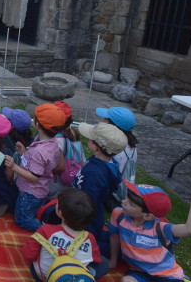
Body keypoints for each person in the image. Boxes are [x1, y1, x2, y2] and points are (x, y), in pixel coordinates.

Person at [109, 182, 191, 282]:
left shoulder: (160, 228)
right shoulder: (119, 214)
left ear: (147, 216)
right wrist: (113, 261)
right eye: (127, 198)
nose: (123, 202)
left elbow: (190, 229)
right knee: (126, 280)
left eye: (131, 204)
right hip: (140, 271)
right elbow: (114, 237)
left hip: (167, 275)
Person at [22, 187, 108, 281]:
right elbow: (96, 259)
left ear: (60, 213)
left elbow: (28, 255)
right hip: (71, 276)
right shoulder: (90, 238)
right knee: (104, 263)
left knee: (36, 255)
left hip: (44, 277)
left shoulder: (45, 230)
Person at [5, 103, 67, 232]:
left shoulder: (39, 151)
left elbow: (34, 177)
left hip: (30, 192)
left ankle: (49, 230)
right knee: (31, 212)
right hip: (41, 190)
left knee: (22, 220)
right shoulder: (51, 142)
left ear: (37, 125)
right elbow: (39, 165)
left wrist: (13, 166)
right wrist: (24, 153)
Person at [73, 122, 127, 257]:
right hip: (95, 213)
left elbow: (86, 201)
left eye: (91, 138)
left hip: (84, 216)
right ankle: (115, 241)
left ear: (96, 147)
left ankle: (121, 252)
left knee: (84, 244)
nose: (88, 139)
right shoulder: (108, 162)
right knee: (97, 233)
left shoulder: (95, 173)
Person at [96, 106, 138, 204]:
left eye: (105, 120)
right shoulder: (132, 145)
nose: (102, 121)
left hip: (111, 190)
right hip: (124, 186)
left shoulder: (113, 148)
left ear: (113, 126)